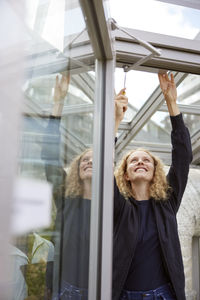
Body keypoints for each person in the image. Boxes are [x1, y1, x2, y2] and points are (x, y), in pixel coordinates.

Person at [113, 73, 192, 300]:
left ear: (154, 171)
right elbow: (102, 169)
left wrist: (172, 104)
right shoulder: (119, 207)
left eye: (146, 160)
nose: (140, 162)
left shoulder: (167, 202)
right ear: (126, 174)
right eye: (134, 160)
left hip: (163, 296)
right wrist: (116, 122)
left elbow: (183, 156)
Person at [42, 74, 93, 300]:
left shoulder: (114, 204)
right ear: (77, 169)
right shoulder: (66, 197)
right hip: (65, 289)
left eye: (95, 159)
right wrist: (58, 104)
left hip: (101, 289)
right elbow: (50, 156)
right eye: (84, 159)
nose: (89, 161)